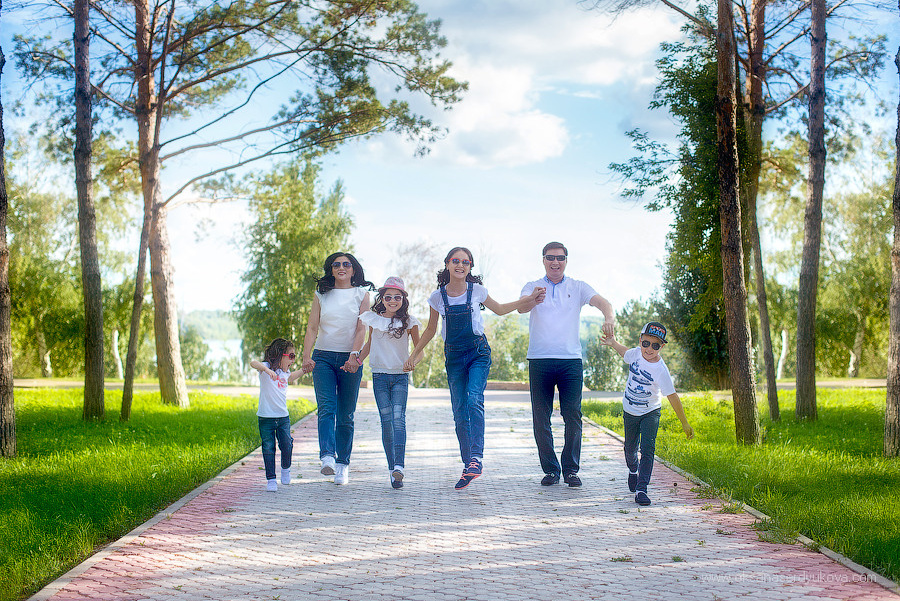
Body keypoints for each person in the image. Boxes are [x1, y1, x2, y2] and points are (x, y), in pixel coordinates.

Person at [405, 247, 544, 490]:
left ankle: (477, 458)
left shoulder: (477, 291)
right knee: (459, 412)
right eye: (456, 261)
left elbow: (500, 309)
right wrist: (414, 354)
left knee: (473, 399)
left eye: (466, 262)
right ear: (447, 264)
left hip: (478, 352)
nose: (460, 265)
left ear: (470, 267)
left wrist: (529, 299)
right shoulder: (437, 297)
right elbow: (430, 329)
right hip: (453, 356)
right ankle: (469, 463)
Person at [517, 242, 615, 488]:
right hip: (539, 360)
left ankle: (571, 470)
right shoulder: (532, 286)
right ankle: (551, 470)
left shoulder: (578, 286)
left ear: (566, 260)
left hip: (571, 361)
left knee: (573, 415)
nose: (555, 262)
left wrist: (609, 318)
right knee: (541, 417)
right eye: (550, 257)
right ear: (543, 260)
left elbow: (604, 303)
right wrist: (532, 299)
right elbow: (521, 308)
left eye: (560, 258)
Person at [600, 321, 694, 506]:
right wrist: (613, 342)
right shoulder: (635, 354)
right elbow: (623, 352)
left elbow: (673, 397)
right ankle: (633, 470)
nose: (649, 349)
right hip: (630, 410)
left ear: (662, 347)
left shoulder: (661, 370)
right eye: (646, 343)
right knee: (630, 449)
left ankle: (642, 489)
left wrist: (684, 422)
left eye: (655, 345)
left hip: (651, 412)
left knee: (648, 450)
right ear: (640, 340)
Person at [301, 252, 374, 486]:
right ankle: (327, 457)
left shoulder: (363, 295)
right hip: (322, 358)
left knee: (346, 415)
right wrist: (305, 355)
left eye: (346, 264)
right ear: (331, 269)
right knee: (326, 408)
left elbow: (361, 329)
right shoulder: (321, 294)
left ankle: (343, 464)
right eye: (336, 264)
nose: (341, 267)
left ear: (353, 269)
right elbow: (312, 327)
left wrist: (355, 357)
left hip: (350, 360)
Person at [358, 277, 420, 489]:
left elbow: (419, 350)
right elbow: (368, 344)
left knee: (398, 419)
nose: (392, 300)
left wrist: (413, 361)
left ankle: (400, 466)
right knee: (386, 422)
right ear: (382, 299)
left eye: (397, 296)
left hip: (400, 376)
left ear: (403, 298)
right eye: (388, 297)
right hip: (379, 376)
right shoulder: (374, 319)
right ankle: (392, 471)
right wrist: (355, 360)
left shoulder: (409, 321)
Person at [249, 338, 304, 492]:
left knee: (287, 444)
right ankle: (271, 479)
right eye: (291, 356)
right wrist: (267, 370)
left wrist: (306, 369)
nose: (293, 360)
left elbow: (293, 376)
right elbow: (254, 363)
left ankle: (285, 469)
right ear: (281, 355)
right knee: (268, 448)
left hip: (283, 418)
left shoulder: (285, 374)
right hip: (265, 417)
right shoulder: (266, 367)